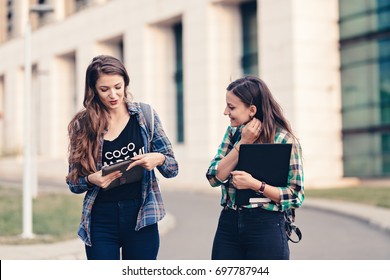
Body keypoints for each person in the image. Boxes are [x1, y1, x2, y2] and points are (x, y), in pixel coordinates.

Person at [66, 55, 178, 260]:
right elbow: (74, 183)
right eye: (104, 89)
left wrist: (158, 159)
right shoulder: (83, 125)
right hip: (101, 220)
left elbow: (172, 167)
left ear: (125, 82)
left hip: (141, 216)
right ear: (93, 90)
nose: (113, 95)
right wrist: (92, 179)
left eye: (118, 86)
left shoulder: (145, 116)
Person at [206, 75, 304, 260]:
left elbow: (295, 195)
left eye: (231, 107)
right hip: (229, 224)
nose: (225, 112)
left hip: (266, 226)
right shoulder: (233, 134)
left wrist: (256, 185)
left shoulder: (283, 140)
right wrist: (243, 142)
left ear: (251, 110)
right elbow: (214, 177)